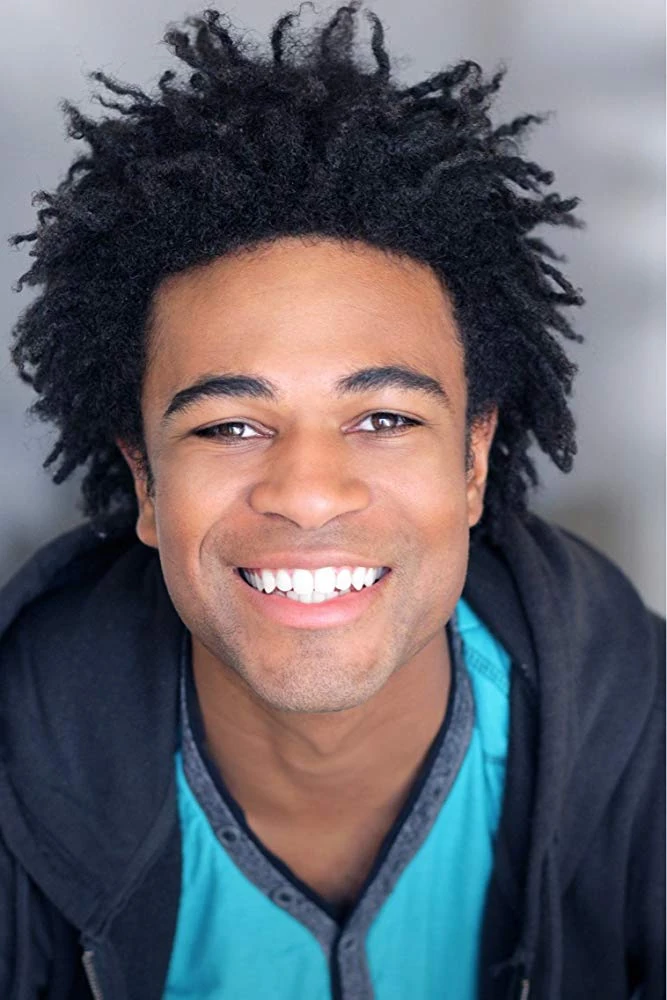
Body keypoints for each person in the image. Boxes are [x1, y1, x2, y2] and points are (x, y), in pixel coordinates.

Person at [1, 5, 663, 999]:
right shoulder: (17, 769)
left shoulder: (643, 739)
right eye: (230, 426)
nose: (308, 494)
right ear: (145, 481)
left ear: (473, 460)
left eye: (384, 418)